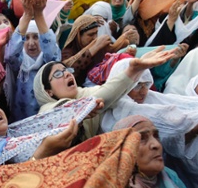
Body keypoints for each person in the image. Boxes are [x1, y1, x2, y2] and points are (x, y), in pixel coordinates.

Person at [34, 48, 177, 139]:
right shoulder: (47, 111)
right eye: (58, 74)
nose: (66, 74)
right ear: (48, 91)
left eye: (67, 70)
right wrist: (132, 70)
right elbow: (100, 98)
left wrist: (138, 70)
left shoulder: (85, 92)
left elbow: (109, 92)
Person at [0, 96, 98, 165]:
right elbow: (9, 186)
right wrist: (42, 153)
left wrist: (80, 115)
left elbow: (49, 122)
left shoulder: (15, 132)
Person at [5, 0, 61, 121]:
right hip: (20, 120)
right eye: (27, 37)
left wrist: (39, 15)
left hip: (46, 119)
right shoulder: (19, 62)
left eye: (36, 37)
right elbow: (10, 55)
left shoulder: (47, 61)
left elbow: (53, 56)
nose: (31, 43)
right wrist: (27, 15)